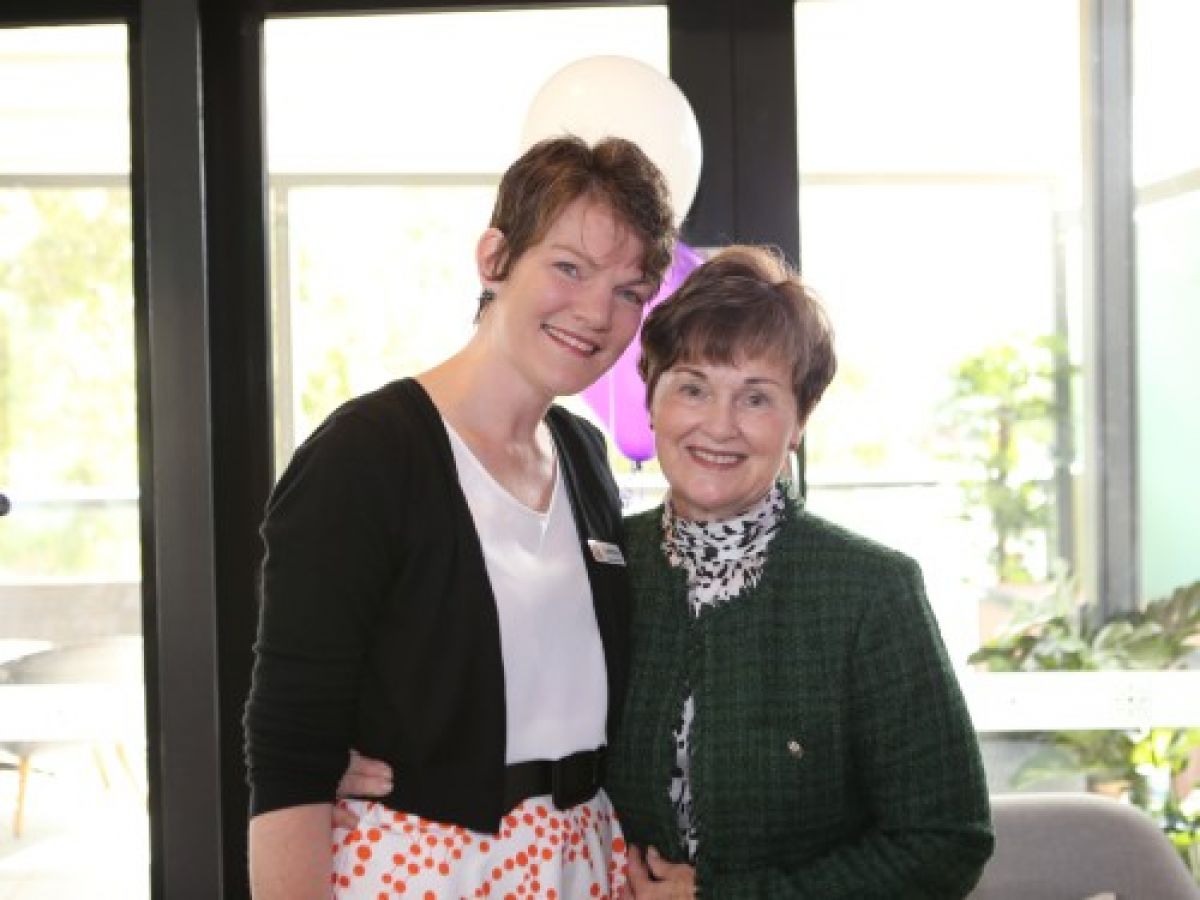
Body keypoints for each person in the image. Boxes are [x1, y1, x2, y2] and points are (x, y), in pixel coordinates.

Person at [338, 244, 995, 898]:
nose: (719, 425)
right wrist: (352, 750)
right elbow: (480, 685)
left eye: (756, 398)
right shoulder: (599, 563)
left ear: (799, 422)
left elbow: (947, 839)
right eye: (692, 388)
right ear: (651, 402)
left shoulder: (870, 592)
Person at [243, 134, 676, 899]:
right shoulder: (370, 454)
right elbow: (288, 748)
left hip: (584, 862)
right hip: (425, 869)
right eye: (569, 268)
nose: (595, 312)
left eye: (627, 291)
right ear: (495, 258)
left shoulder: (583, 455)